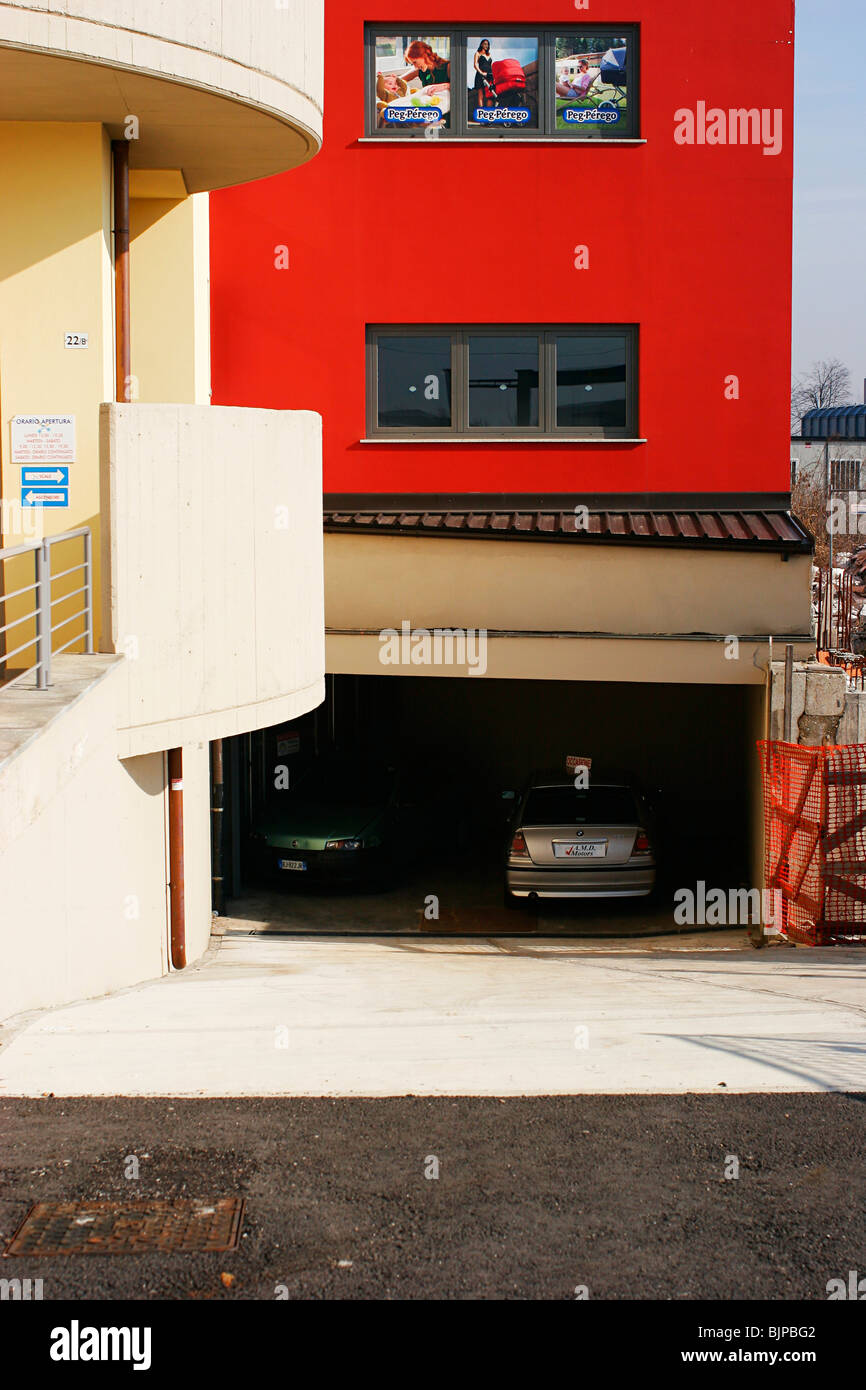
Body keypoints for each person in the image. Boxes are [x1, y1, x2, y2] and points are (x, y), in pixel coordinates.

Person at [473, 39, 494, 110]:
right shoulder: (477, 53)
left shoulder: (489, 55)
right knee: (481, 95)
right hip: (480, 75)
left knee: (490, 95)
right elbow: (475, 65)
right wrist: (481, 72)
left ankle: (488, 115)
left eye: (487, 44)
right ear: (481, 44)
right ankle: (481, 114)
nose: (486, 45)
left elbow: (491, 66)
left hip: (489, 75)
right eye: (485, 44)